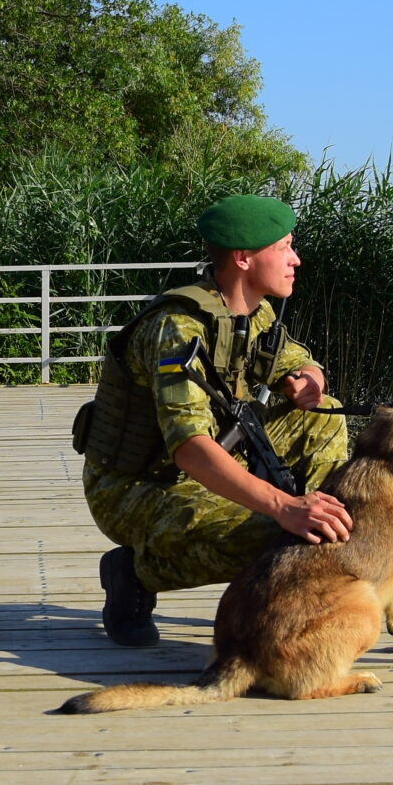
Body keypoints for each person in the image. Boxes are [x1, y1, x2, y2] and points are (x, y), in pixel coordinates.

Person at [79, 194, 353, 646]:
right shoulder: (176, 329)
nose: (295, 259)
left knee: (323, 416)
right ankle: (132, 574)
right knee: (269, 532)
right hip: (137, 486)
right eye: (284, 247)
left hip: (213, 460)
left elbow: (299, 360)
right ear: (244, 258)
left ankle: (318, 536)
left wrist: (309, 379)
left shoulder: (252, 312)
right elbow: (189, 448)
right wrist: (283, 508)